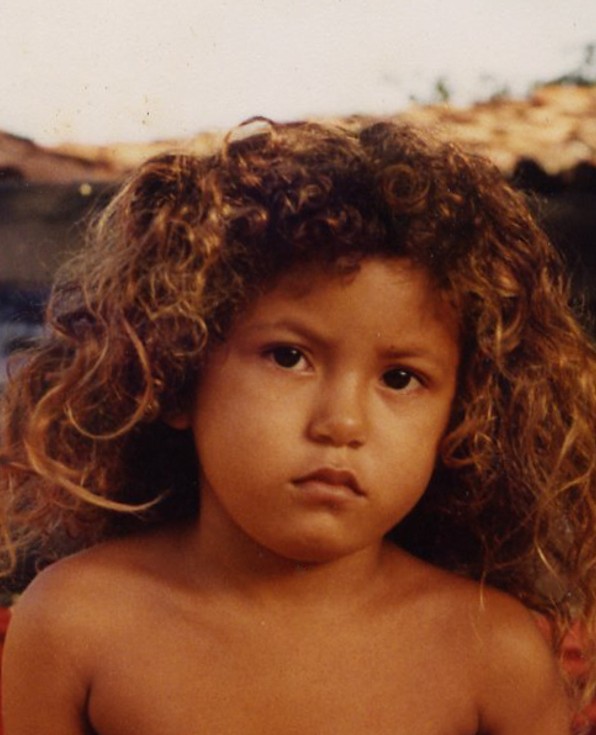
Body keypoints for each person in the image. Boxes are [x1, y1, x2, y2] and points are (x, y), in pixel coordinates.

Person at [0, 117, 594, 734]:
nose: (341, 423)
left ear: (461, 419)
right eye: (289, 357)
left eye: (400, 378)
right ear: (175, 374)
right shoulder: (75, 622)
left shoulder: (494, 655)